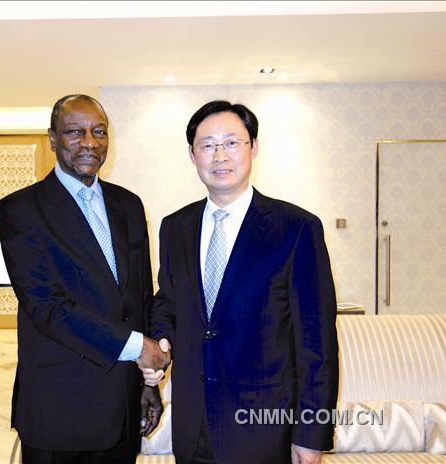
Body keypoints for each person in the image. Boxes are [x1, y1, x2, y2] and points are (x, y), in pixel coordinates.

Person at [142, 100, 339, 464]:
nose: (220, 155)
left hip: (264, 430)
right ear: (192, 154)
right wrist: (161, 339)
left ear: (254, 147)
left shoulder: (296, 228)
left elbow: (317, 344)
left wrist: (311, 436)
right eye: (207, 145)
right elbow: (169, 300)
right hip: (192, 426)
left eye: (231, 142)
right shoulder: (175, 227)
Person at [0, 94, 169, 464]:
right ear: (52, 138)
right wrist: (138, 347)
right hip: (60, 406)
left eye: (99, 131)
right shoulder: (21, 209)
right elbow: (46, 307)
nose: (90, 142)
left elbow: (139, 298)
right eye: (75, 132)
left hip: (123, 404)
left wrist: (148, 384)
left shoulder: (129, 204)